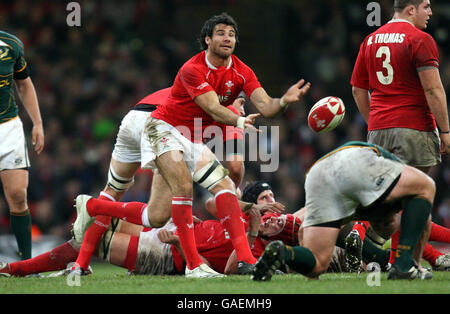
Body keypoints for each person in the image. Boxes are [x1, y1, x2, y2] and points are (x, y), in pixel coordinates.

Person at [72, 12, 311, 278]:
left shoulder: (240, 75)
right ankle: (195, 265)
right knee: (187, 185)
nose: (227, 38)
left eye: (232, 34)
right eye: (221, 33)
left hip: (180, 133)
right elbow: (214, 112)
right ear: (207, 40)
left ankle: (90, 224)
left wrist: (284, 101)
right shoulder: (194, 72)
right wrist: (240, 122)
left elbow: (266, 105)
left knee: (165, 211)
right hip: (159, 125)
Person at [71, 87, 248, 274]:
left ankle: (80, 261)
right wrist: (232, 195)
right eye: (242, 103)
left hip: (134, 118)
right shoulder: (229, 108)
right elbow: (235, 167)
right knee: (218, 185)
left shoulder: (199, 89)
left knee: (148, 212)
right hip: (164, 125)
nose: (243, 110)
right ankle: (200, 265)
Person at [348, 0, 450, 271]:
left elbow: (358, 89)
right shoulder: (420, 39)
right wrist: (447, 131)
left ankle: (394, 258)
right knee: (419, 197)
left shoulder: (370, 39)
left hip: (379, 131)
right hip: (414, 126)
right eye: (426, 6)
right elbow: (433, 90)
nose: (430, 12)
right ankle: (407, 264)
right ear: (410, 8)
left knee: (393, 199)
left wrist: (375, 122)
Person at [252, 141, 436, 281]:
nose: (385, 229)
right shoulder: (392, 180)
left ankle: (283, 252)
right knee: (427, 186)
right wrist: (415, 262)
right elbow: (424, 217)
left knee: (318, 263)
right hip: (353, 157)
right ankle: (404, 266)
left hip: (316, 174)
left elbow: (302, 230)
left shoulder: (355, 205)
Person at [0, 31, 44, 261]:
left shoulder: (11, 44)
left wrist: (37, 122)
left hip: (8, 127)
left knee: (17, 194)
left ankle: (26, 263)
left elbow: (24, 84)